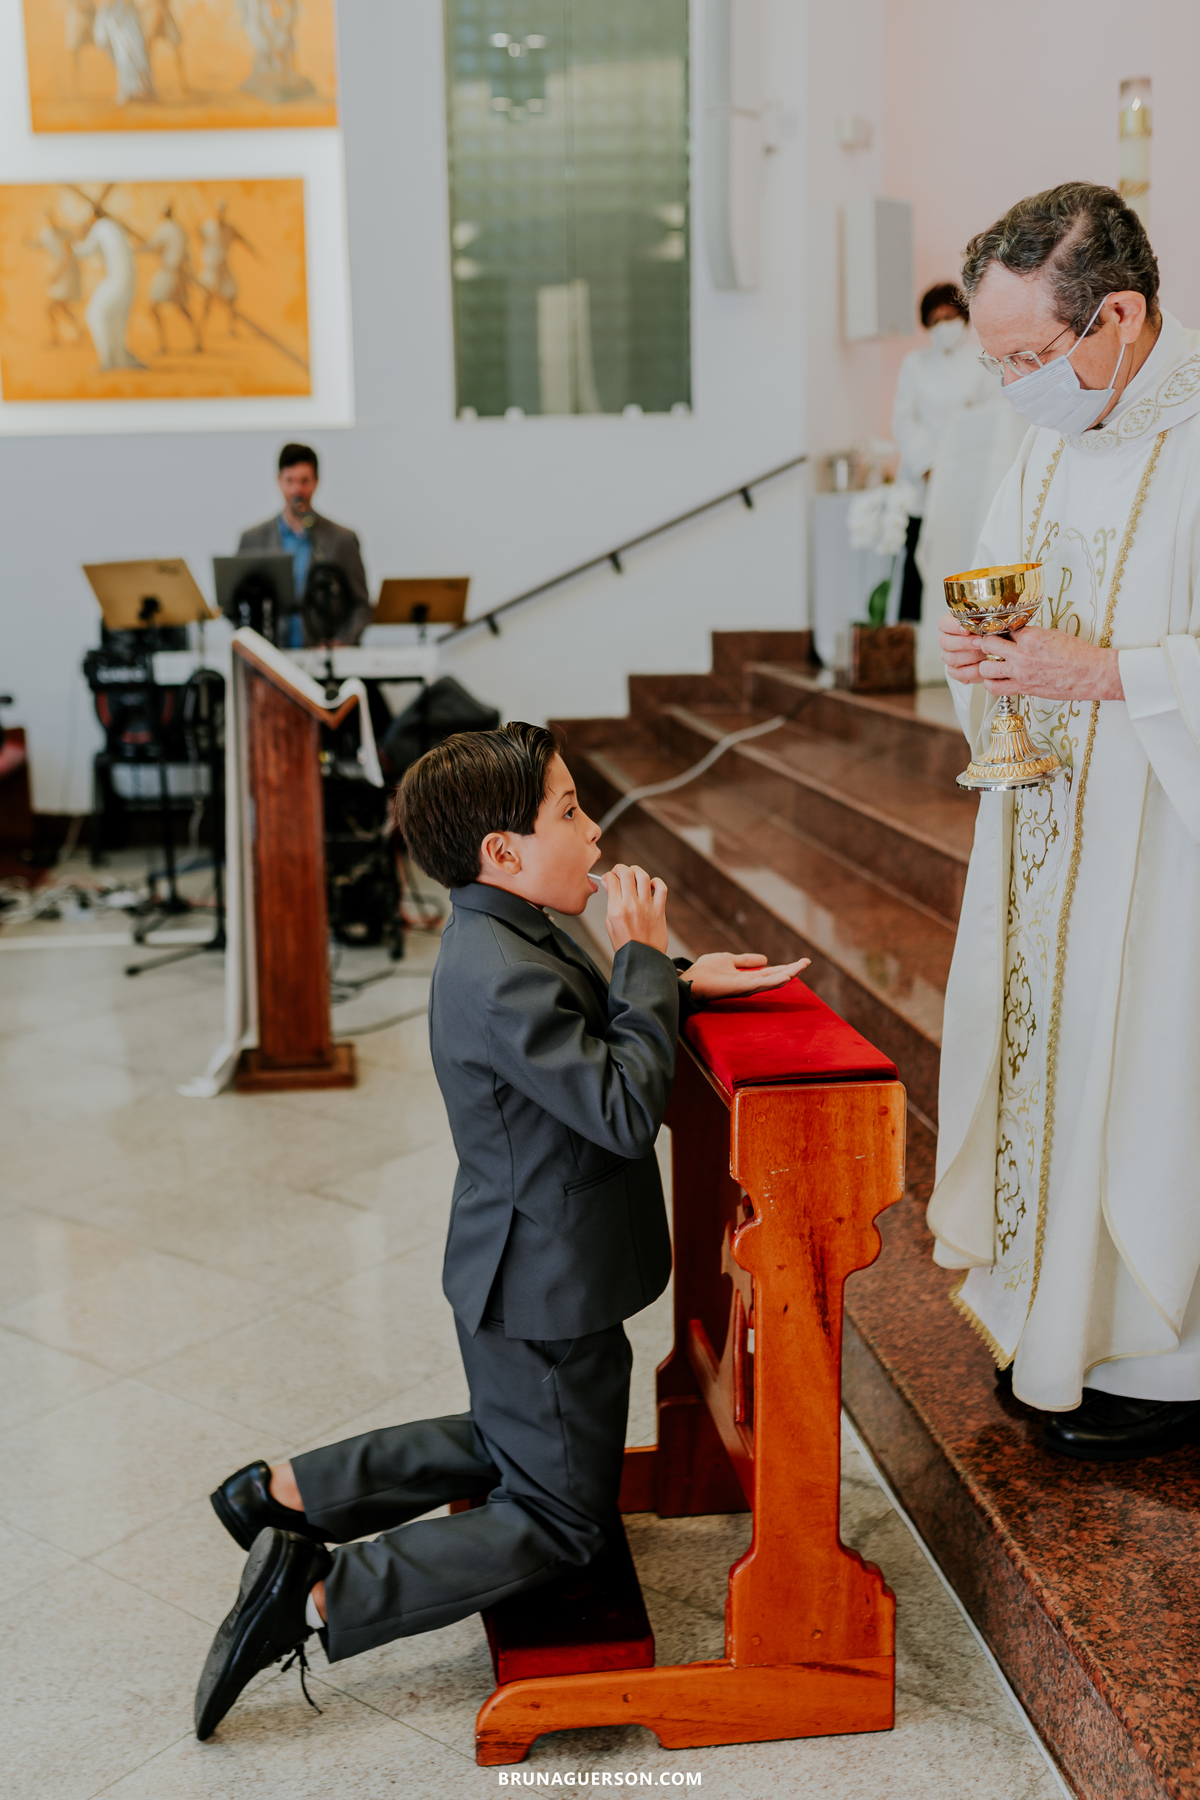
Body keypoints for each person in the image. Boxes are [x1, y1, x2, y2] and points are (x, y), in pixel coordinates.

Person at [193, 723, 808, 1738]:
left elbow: (579, 1025)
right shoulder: (497, 965)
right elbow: (617, 1105)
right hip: (544, 1281)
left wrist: (679, 979)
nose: (596, 832)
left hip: (530, 1268)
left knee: (516, 1438)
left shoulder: (507, 921)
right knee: (559, 1520)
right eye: (569, 812)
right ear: (503, 851)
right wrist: (645, 958)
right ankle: (312, 1601)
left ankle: (285, 1493)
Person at [931, 181, 1200, 1461]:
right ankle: (1053, 1324)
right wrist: (980, 664)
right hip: (1046, 827)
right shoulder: (1050, 432)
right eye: (997, 364)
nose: (1014, 389)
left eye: (1031, 358)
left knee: (1149, 1081)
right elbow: (994, 596)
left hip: (1168, 854)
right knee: (1052, 1058)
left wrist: (1111, 674)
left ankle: (1164, 1358)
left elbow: (1106, 656)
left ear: (1122, 314)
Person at [892, 283, 995, 621]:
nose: (943, 325)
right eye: (935, 320)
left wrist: (956, 467)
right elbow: (904, 419)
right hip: (924, 479)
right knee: (918, 557)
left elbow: (989, 419)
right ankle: (912, 639)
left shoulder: (984, 360)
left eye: (949, 316)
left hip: (967, 477)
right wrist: (929, 466)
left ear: (964, 317)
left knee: (962, 553)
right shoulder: (915, 364)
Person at [237, 443, 371, 645]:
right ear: (279, 481)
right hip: (270, 656)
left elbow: (361, 605)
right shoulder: (253, 539)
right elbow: (235, 604)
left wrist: (342, 642)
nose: (296, 489)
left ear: (316, 482)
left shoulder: (342, 539)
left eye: (304, 481)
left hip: (324, 660)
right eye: (289, 480)